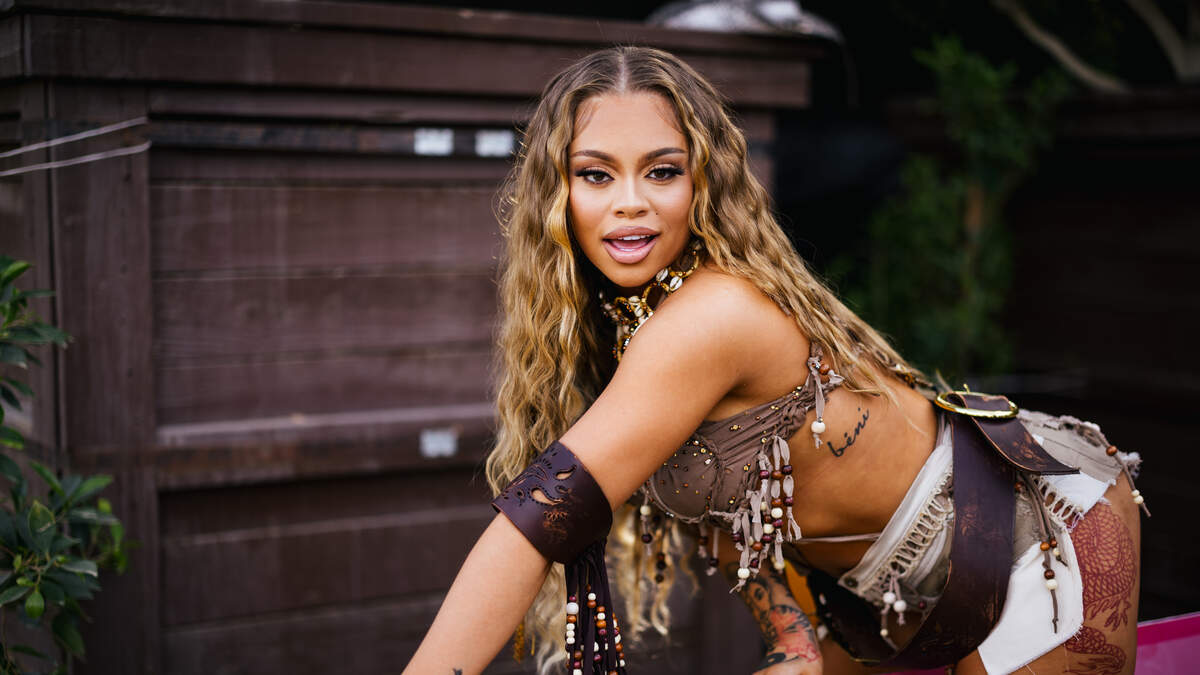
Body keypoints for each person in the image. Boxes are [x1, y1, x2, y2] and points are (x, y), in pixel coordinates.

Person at [403, 46, 1144, 675]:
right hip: (887, 596)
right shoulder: (630, 320)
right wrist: (791, 637)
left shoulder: (708, 315)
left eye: (662, 171)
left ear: (703, 181)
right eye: (596, 174)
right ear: (554, 192)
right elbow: (729, 504)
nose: (630, 202)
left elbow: (533, 523)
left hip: (1038, 540)